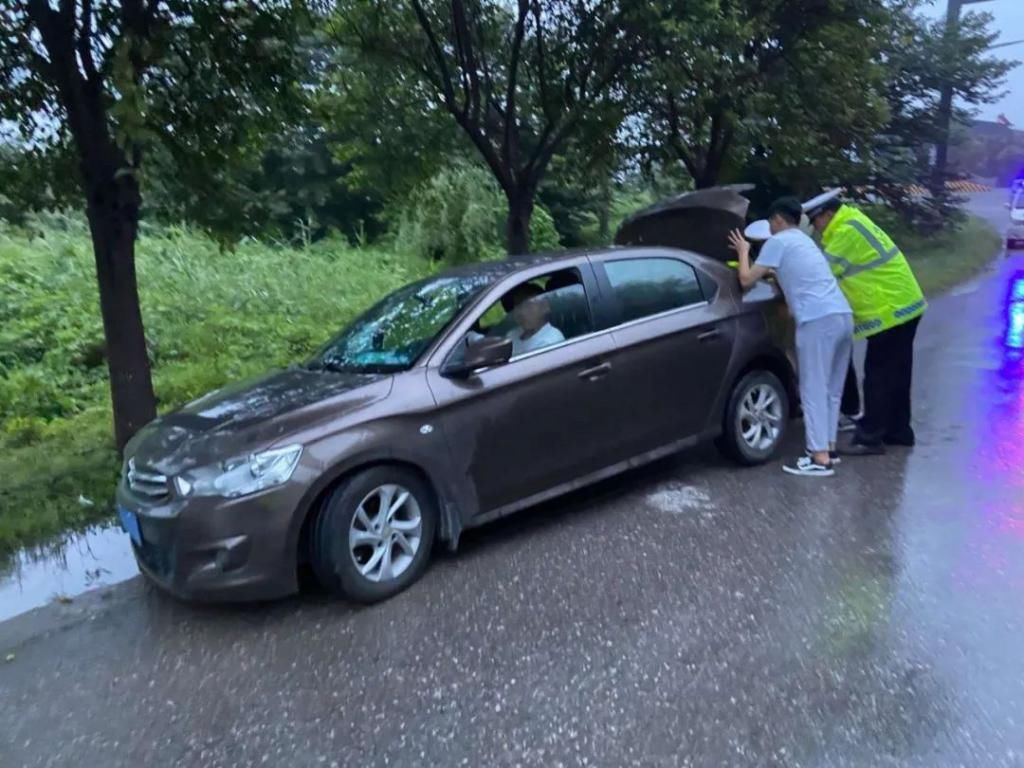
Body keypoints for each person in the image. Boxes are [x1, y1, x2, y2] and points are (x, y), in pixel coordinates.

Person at [729, 197, 853, 477]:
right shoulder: (805, 242)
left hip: (817, 320)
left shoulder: (779, 241)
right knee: (832, 388)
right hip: (842, 316)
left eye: (771, 224)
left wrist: (743, 251)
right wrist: (774, 273)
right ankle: (829, 448)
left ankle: (818, 458)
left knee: (812, 387)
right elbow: (793, 273)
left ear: (777, 221)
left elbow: (746, 280)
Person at [805, 190, 926, 454]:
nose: (815, 228)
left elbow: (819, 273)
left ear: (827, 214)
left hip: (890, 310)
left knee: (877, 375)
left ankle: (870, 437)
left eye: (815, 221)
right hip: (906, 304)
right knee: (898, 373)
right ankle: (899, 431)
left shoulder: (845, 233)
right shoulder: (852, 221)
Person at [502, 282, 564, 356]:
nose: (522, 312)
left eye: (528, 305)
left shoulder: (551, 340)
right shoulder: (512, 335)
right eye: (518, 306)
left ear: (544, 307)